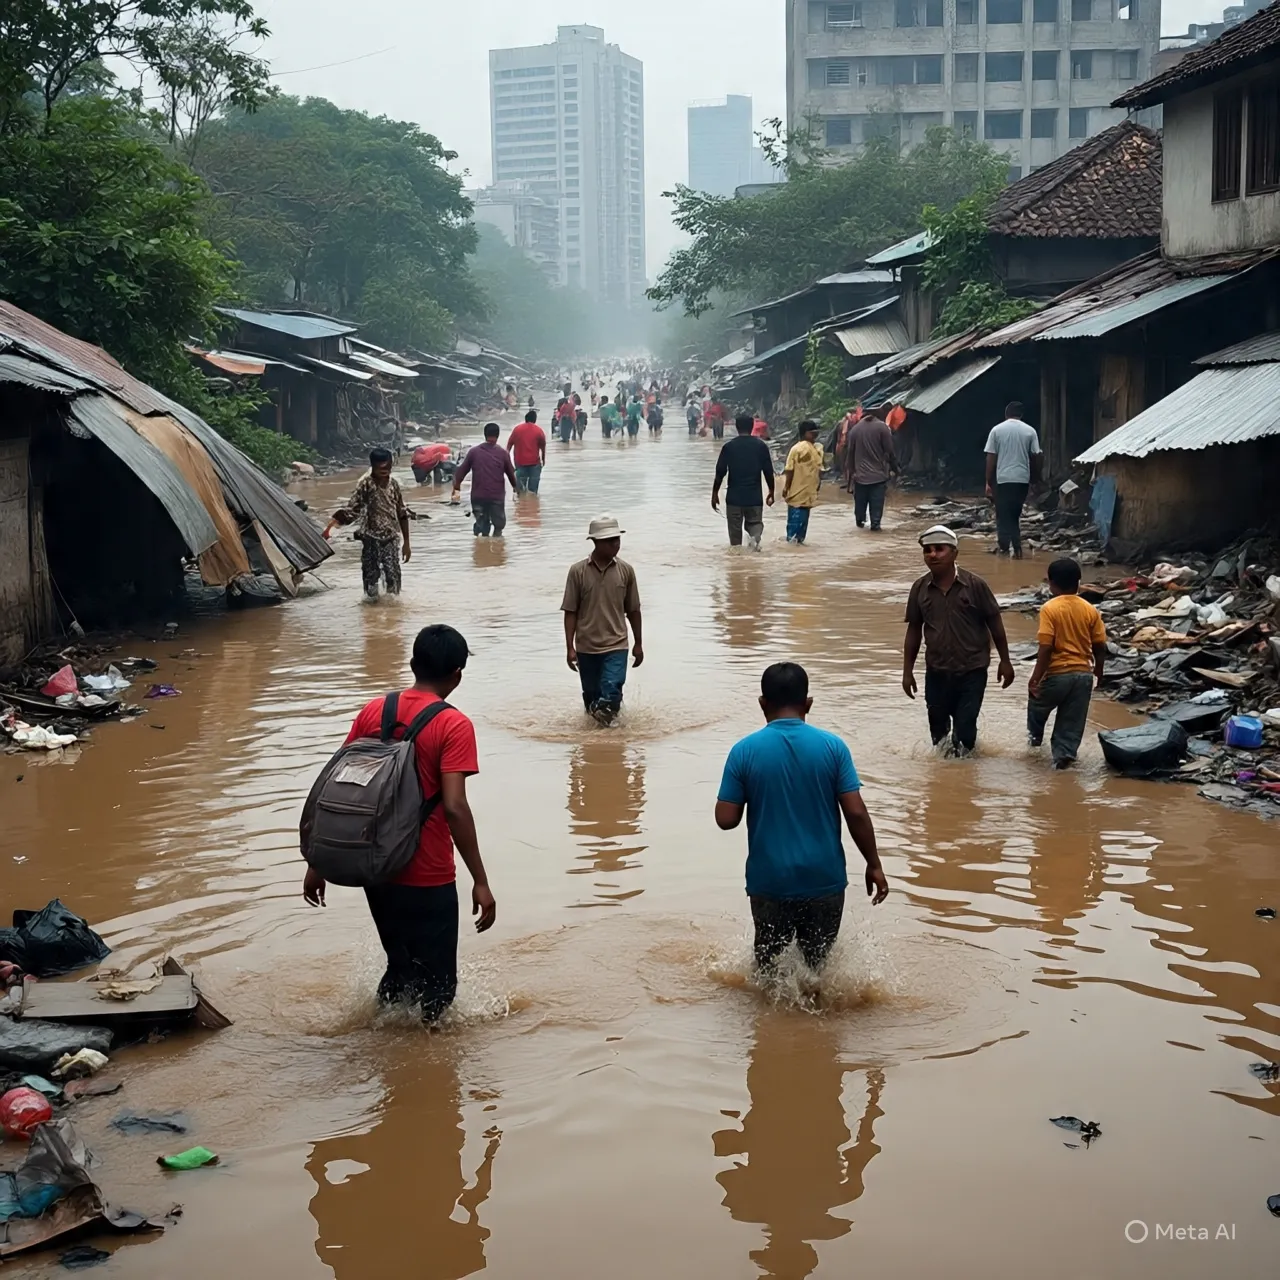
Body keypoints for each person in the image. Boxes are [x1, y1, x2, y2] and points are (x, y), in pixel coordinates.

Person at [302, 625, 496, 1024]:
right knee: (439, 989)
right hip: (427, 874)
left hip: (375, 868)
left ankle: (386, 1055)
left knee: (401, 969)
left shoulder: (375, 710)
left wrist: (317, 863)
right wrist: (480, 879)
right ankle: (426, 1069)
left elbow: (339, 791)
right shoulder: (453, 725)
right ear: (458, 674)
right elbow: (455, 807)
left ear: (412, 664)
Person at [715, 662, 889, 977]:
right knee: (817, 974)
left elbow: (726, 819)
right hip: (824, 880)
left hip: (770, 883)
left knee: (768, 976)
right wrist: (873, 863)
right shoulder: (834, 748)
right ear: (808, 703)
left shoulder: (743, 751)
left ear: (762, 703)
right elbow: (855, 812)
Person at [903, 525, 1015, 756]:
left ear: (954, 553)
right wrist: (907, 672)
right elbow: (914, 631)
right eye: (928, 550)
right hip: (936, 671)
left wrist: (1005, 661)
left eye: (939, 549)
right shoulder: (920, 589)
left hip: (972, 671)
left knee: (965, 731)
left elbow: (995, 623)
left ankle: (966, 779)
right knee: (938, 734)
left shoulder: (975, 586)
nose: (932, 555)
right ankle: (945, 784)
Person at [561, 515, 644, 727]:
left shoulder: (626, 571)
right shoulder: (577, 572)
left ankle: (611, 742)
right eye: (609, 541)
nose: (615, 544)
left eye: (617, 539)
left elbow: (633, 610)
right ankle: (599, 747)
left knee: (612, 691)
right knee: (591, 699)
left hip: (616, 645)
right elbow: (570, 611)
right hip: (586, 647)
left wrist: (639, 644)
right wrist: (570, 647)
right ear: (595, 542)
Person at [1028, 558, 1108, 769]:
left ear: (1051, 584)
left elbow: (1046, 647)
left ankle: (1034, 745)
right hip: (1083, 675)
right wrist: (1098, 670)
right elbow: (1099, 645)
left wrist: (1035, 678)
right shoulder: (1091, 609)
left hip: (1057, 674)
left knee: (1037, 705)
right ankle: (1064, 760)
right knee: (1071, 722)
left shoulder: (1049, 608)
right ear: (1079, 583)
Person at [328, 447, 411, 600]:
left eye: (388, 467)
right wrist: (333, 525)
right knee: (371, 578)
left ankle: (393, 612)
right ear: (373, 466)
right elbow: (353, 510)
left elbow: (402, 513)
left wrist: (407, 543)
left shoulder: (394, 485)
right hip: (370, 537)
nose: (385, 471)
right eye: (381, 468)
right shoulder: (365, 485)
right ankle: (371, 611)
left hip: (391, 537)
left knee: (393, 576)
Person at [984, 402, 1043, 559]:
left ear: (1006, 413)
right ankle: (1017, 549)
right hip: (1022, 479)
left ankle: (1004, 549)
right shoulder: (1030, 431)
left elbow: (991, 458)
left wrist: (988, 481)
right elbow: (1035, 456)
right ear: (1021, 415)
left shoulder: (996, 430)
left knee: (1003, 514)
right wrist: (1036, 479)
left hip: (1002, 479)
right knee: (1015, 514)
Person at [713, 414, 775, 550]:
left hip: (734, 498)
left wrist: (715, 493)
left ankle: (737, 563)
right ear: (752, 426)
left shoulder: (729, 447)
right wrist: (771, 491)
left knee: (735, 540)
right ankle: (754, 547)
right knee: (755, 526)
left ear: (736, 427)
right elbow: (768, 471)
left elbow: (720, 472)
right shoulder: (761, 447)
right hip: (754, 497)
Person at [452, 423, 518, 537]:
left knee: (483, 524)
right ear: (497, 435)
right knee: (499, 526)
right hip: (496, 496)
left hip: (478, 496)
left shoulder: (474, 452)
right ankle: (496, 547)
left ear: (485, 435)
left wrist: (456, 487)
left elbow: (461, 472)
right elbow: (511, 475)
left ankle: (481, 535)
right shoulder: (503, 454)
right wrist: (516, 489)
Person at [847, 405, 897, 532]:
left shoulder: (855, 429)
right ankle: (875, 529)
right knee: (876, 513)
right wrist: (895, 469)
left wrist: (849, 479)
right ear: (879, 413)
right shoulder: (882, 428)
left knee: (860, 510)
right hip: (878, 477)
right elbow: (890, 452)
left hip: (859, 477)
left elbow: (850, 455)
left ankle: (860, 528)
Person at [782, 421, 824, 545]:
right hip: (807, 493)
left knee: (794, 529)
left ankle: (794, 548)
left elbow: (789, 470)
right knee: (800, 528)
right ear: (805, 433)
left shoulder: (797, 449)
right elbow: (820, 471)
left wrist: (786, 487)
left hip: (798, 493)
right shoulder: (816, 449)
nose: (815, 436)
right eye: (813, 433)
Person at [507, 410, 546, 494]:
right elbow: (543, 446)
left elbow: (509, 445)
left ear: (525, 419)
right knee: (533, 492)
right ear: (535, 420)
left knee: (520, 492)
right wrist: (543, 460)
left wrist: (508, 461)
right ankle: (531, 505)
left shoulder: (517, 429)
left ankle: (520, 505)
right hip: (534, 463)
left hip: (520, 463)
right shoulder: (539, 431)